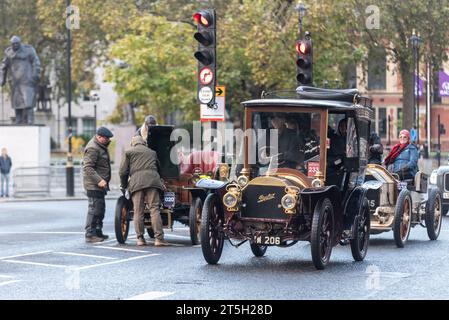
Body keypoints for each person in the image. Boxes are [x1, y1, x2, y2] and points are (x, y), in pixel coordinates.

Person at [119, 135, 167, 246]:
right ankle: (159, 239)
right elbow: (159, 169)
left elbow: (122, 172)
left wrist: (124, 185)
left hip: (137, 183)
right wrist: (161, 181)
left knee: (138, 211)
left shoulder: (128, 152)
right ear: (143, 143)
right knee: (154, 209)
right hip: (152, 181)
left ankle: (140, 239)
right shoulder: (152, 152)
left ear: (133, 143)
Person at [0, 36, 41, 124]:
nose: (15, 45)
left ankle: (30, 121)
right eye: (13, 44)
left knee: (28, 102)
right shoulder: (8, 52)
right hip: (15, 82)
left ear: (20, 43)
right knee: (16, 103)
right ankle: (18, 122)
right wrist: (2, 79)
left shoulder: (29, 50)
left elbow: (36, 62)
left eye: (16, 43)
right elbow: (3, 67)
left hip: (27, 80)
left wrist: (35, 75)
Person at [83, 126, 113, 243]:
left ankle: (98, 231)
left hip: (100, 185)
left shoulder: (100, 146)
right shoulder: (93, 148)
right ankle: (90, 234)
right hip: (94, 185)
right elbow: (88, 168)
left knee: (100, 209)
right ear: (99, 137)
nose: (108, 140)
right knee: (94, 209)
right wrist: (99, 180)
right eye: (106, 138)